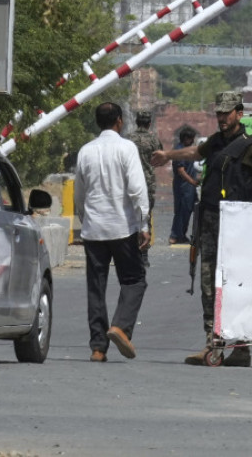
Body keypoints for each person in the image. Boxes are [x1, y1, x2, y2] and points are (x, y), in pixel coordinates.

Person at [152, 91, 252, 367]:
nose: (222, 118)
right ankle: (213, 342)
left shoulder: (250, 147)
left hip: (239, 226)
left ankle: (240, 346)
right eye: (219, 113)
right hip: (211, 221)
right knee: (209, 283)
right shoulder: (216, 142)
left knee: (238, 284)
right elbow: (194, 151)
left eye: (227, 113)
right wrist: (167, 155)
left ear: (239, 113)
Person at [74, 102, 150, 362]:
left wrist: (85, 221)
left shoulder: (85, 151)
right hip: (122, 227)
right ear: (119, 121)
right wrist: (144, 225)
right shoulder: (127, 148)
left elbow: (79, 194)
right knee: (134, 280)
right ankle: (120, 327)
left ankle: (97, 347)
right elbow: (137, 191)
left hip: (94, 229)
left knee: (96, 287)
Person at [127, 108, 163, 263]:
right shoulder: (153, 139)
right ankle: (143, 254)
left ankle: (130, 252)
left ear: (137, 122)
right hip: (147, 182)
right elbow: (161, 157)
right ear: (149, 123)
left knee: (128, 215)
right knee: (145, 215)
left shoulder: (128, 139)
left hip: (129, 182)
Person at [169, 127, 199, 245]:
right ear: (186, 138)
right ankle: (174, 235)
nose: (192, 141)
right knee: (181, 211)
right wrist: (193, 182)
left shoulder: (186, 150)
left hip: (189, 187)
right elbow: (181, 171)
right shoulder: (179, 151)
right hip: (183, 186)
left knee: (187, 210)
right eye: (191, 139)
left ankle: (181, 235)